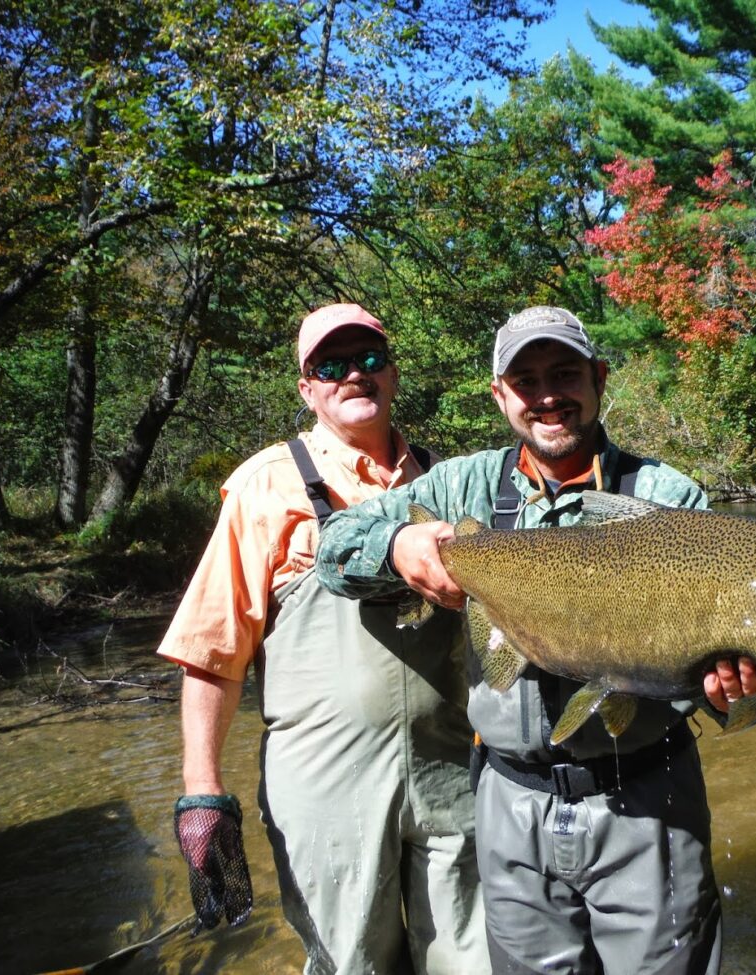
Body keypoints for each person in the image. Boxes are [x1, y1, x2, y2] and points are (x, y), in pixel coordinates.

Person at [316, 305, 756, 975]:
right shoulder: (457, 487)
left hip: (647, 801)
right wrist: (399, 542)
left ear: (599, 379)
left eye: (565, 373)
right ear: (500, 395)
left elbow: (732, 692)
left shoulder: (669, 497)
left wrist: (738, 693)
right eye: (525, 380)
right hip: (508, 803)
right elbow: (333, 552)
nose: (547, 395)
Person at [158, 303, 486, 974]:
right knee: (352, 964)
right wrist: (202, 788)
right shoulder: (265, 485)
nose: (353, 376)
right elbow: (213, 650)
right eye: (330, 366)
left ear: (393, 374)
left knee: (475, 958)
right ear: (307, 389)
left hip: (451, 770)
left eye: (368, 359)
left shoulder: (447, 481)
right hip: (324, 786)